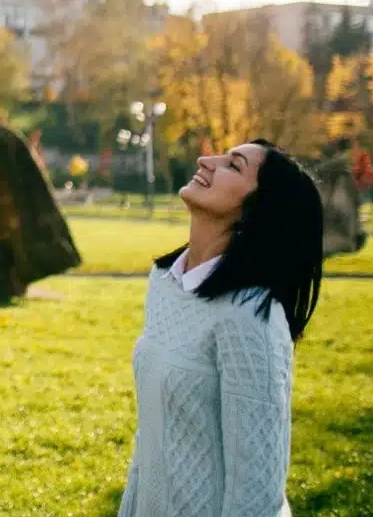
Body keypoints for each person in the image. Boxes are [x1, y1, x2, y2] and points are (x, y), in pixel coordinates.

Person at [117, 139, 325, 517]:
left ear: (256, 209)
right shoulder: (164, 281)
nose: (205, 160)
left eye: (233, 165)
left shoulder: (249, 318)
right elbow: (151, 440)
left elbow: (258, 491)